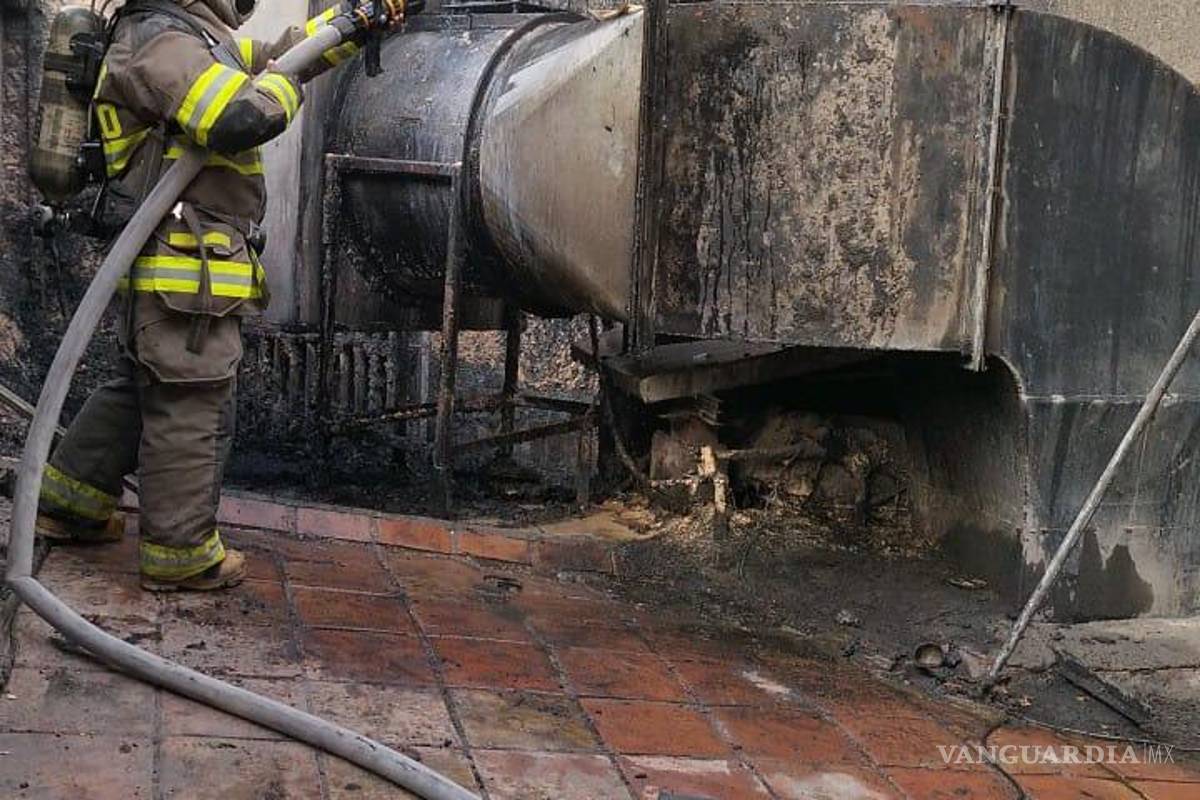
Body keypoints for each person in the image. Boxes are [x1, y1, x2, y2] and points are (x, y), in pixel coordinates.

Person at [35, 0, 399, 591]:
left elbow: (281, 55)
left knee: (144, 389)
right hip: (185, 269)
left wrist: (354, 23)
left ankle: (69, 502)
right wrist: (283, 89)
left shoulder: (190, 38)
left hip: (179, 265)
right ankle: (181, 554)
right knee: (190, 402)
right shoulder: (158, 41)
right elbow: (237, 116)